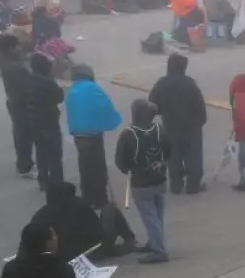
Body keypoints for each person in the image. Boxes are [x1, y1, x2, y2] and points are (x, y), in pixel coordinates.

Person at [115, 100, 171, 263]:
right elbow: (169, 150)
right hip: (160, 178)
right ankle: (155, 241)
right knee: (157, 214)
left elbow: (120, 160)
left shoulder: (128, 134)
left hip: (141, 182)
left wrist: (127, 169)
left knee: (150, 217)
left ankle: (159, 250)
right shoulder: (160, 129)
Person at [31, 181, 134, 262]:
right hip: (92, 252)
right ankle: (129, 239)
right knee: (109, 209)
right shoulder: (80, 206)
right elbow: (98, 231)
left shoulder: (40, 216)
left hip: (63, 257)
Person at [148, 54, 206, 195]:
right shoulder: (189, 83)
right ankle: (193, 185)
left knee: (174, 156)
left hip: (170, 125)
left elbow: (152, 104)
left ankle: (176, 184)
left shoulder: (161, 83)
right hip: (191, 125)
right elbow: (199, 103)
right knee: (193, 156)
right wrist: (201, 120)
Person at [66, 64, 121, 208]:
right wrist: (113, 121)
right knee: (98, 167)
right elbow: (105, 107)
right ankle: (100, 200)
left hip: (78, 135)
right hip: (93, 134)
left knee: (85, 166)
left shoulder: (72, 91)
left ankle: (87, 197)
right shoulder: (93, 89)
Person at [26, 53, 66, 191]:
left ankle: (43, 181)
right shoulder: (48, 82)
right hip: (49, 123)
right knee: (55, 156)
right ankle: (57, 183)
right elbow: (59, 97)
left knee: (41, 154)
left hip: (34, 123)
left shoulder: (29, 79)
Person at [0, 36, 34, 178]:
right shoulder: (14, 67)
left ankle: (25, 163)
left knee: (24, 134)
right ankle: (24, 166)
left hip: (16, 102)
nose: (20, 48)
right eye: (17, 46)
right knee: (23, 135)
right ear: (10, 49)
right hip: (20, 103)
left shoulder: (10, 62)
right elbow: (26, 83)